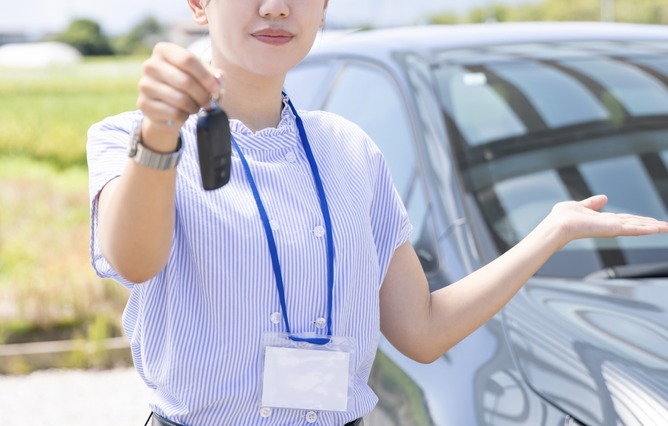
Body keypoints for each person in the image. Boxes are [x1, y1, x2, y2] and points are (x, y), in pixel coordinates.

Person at [86, 1, 668, 425]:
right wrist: (159, 132)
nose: (276, 7)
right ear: (199, 4)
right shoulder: (128, 139)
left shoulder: (350, 148)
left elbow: (422, 330)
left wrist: (551, 231)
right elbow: (134, 259)